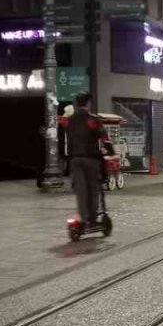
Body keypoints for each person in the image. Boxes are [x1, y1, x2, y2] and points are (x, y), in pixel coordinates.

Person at [65, 93, 106, 227]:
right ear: (88, 103)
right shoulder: (92, 119)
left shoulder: (69, 120)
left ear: (76, 104)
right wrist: (109, 151)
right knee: (92, 188)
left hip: (74, 159)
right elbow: (104, 138)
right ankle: (92, 219)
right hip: (90, 158)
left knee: (81, 190)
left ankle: (82, 218)